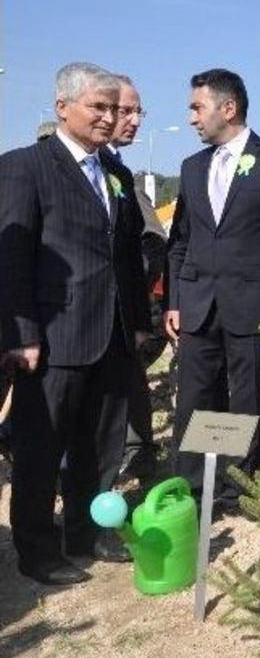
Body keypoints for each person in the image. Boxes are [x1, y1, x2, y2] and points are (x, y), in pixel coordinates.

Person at [0, 62, 151, 585]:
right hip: (53, 338)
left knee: (102, 445)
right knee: (41, 449)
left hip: (113, 334)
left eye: (114, 107)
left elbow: (126, 256)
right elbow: (12, 258)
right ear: (63, 108)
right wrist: (21, 334)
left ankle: (89, 532)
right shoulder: (25, 167)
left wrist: (138, 323)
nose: (110, 117)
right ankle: (37, 550)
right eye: (98, 107)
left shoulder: (117, 174)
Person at [166, 68, 260, 506]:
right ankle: (191, 485)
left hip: (253, 303)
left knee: (243, 398)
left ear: (228, 108)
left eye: (197, 108)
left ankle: (234, 486)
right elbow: (181, 241)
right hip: (197, 304)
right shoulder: (192, 167)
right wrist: (175, 300)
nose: (191, 118)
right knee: (194, 397)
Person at [99, 75, 169, 478]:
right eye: (126, 111)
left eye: (138, 111)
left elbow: (150, 245)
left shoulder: (120, 175)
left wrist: (133, 301)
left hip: (121, 318)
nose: (135, 121)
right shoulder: (88, 167)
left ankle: (135, 453)